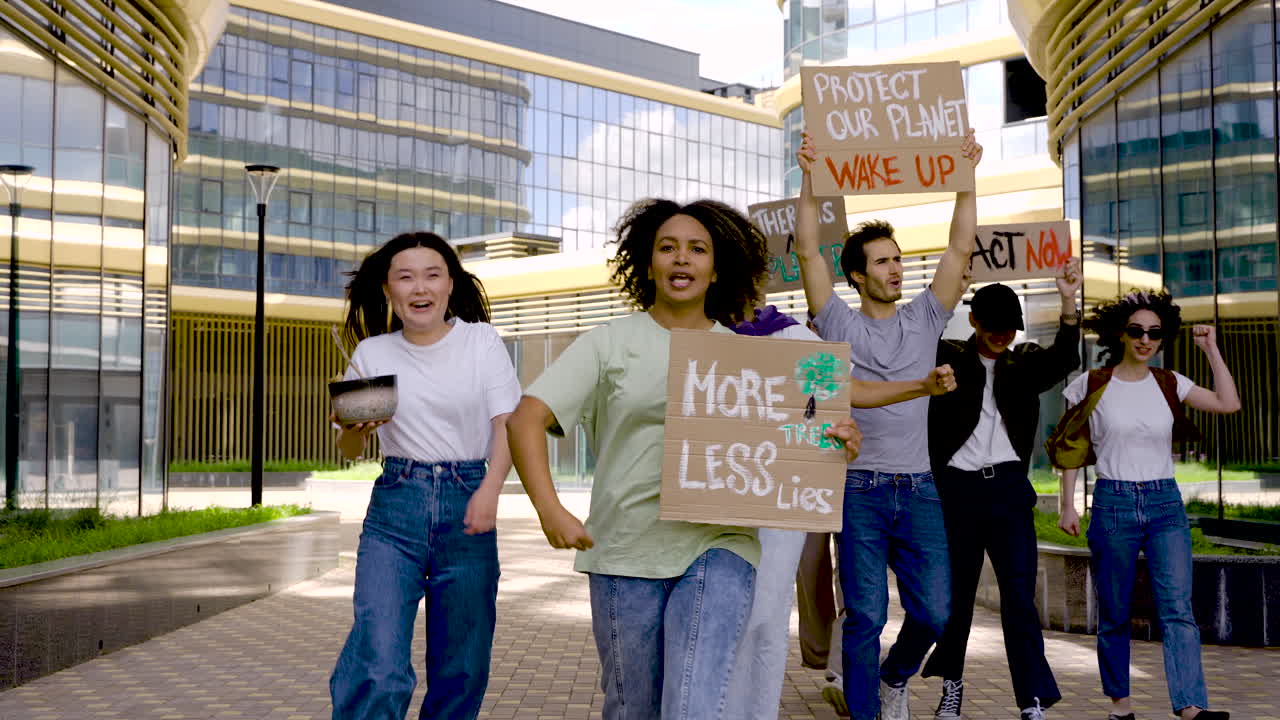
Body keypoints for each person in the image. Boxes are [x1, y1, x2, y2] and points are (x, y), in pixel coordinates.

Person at [507, 199, 861, 720]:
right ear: (646, 264)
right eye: (667, 248)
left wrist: (835, 443)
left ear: (716, 269)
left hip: (720, 547)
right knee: (634, 709)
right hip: (625, 552)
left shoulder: (754, 358)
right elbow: (525, 418)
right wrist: (550, 510)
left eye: (697, 249)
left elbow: (799, 437)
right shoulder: (609, 343)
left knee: (693, 706)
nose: (682, 259)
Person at [794, 128, 983, 720]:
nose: (897, 268)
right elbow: (807, 252)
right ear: (857, 275)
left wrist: (966, 175)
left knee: (935, 614)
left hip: (919, 488)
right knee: (866, 617)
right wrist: (807, 178)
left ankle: (895, 677)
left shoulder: (927, 315)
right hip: (857, 490)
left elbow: (958, 248)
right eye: (883, 261)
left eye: (899, 259)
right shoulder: (837, 323)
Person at [725, 304, 958, 720]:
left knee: (765, 626)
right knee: (722, 630)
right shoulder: (694, 337)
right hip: (710, 511)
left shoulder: (792, 336)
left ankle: (886, 681)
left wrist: (923, 386)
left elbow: (849, 391)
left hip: (781, 507)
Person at [328, 232, 521, 720]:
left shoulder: (481, 341)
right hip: (397, 507)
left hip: (468, 501)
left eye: (432, 275)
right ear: (390, 290)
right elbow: (350, 447)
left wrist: (490, 491)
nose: (420, 287)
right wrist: (353, 428)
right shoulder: (372, 352)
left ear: (450, 284)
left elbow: (508, 426)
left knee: (463, 668)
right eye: (405, 276)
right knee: (379, 661)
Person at [1056, 290, 1239, 720]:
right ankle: (1121, 706)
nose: (1145, 339)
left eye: (1154, 333)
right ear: (1120, 332)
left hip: (1164, 505)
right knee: (1115, 611)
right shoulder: (1091, 384)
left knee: (1177, 608)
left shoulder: (1170, 382)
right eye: (1136, 330)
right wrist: (1068, 505)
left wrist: (1211, 349)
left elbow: (1228, 404)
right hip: (1113, 503)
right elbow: (1070, 449)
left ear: (1163, 337)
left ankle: (1191, 706)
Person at [919, 260, 1083, 720]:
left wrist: (1069, 300)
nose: (1001, 335)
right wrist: (949, 288)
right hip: (957, 494)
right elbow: (910, 338)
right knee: (956, 599)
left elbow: (1066, 357)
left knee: (1018, 598)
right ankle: (951, 686)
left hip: (1009, 494)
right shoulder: (947, 356)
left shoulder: (1025, 363)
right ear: (973, 320)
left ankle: (1031, 697)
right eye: (992, 326)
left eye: (1009, 327)